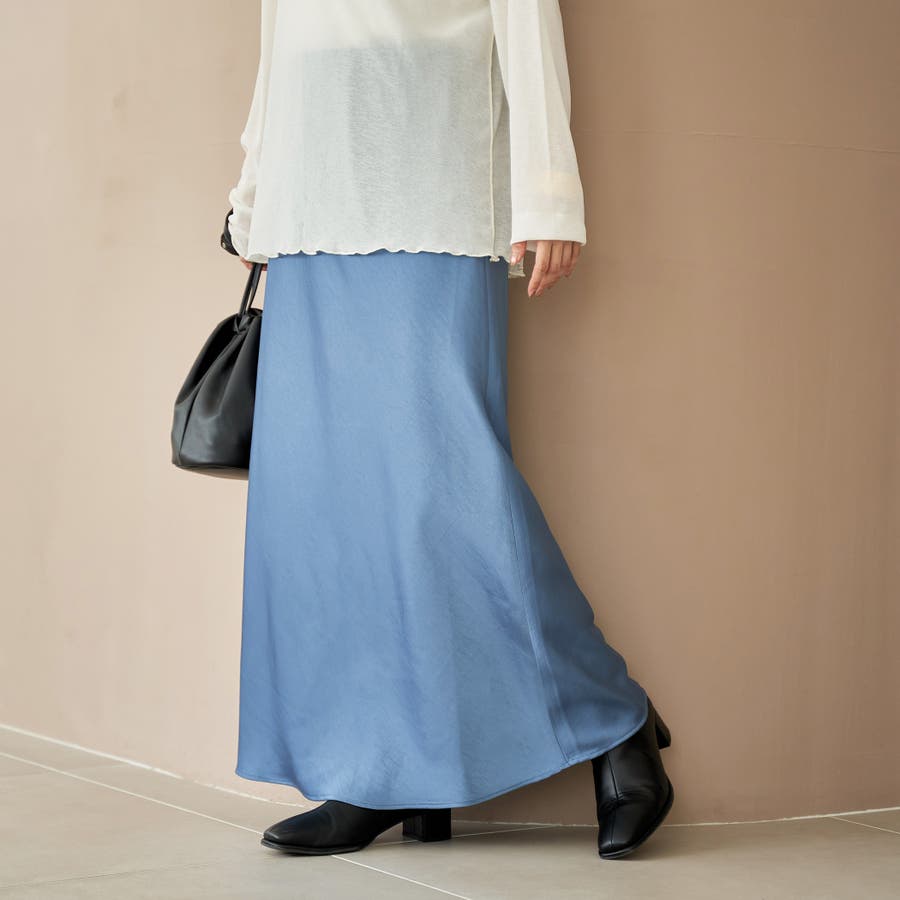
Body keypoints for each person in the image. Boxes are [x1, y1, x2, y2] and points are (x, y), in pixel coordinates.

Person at [220, 0, 674, 860]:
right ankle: (375, 769)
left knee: (443, 489)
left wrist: (549, 193)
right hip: (308, 200)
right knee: (334, 508)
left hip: (426, 177)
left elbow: (526, 19)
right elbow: (280, 43)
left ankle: (611, 716)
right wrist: (252, 196)